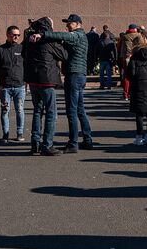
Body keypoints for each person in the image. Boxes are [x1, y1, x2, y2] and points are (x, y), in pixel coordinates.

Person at [32, 13, 94, 152]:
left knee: (71, 111)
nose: (67, 25)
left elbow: (63, 36)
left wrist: (44, 34)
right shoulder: (80, 36)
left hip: (74, 75)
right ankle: (87, 139)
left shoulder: (77, 35)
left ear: (78, 24)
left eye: (70, 23)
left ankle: (73, 143)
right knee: (80, 109)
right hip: (79, 75)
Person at [23, 16, 67, 155]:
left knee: (37, 111)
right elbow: (64, 55)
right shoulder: (48, 40)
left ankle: (34, 143)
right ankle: (47, 145)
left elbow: (24, 54)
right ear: (48, 27)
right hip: (46, 79)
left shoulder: (29, 40)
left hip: (33, 79)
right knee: (51, 113)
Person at [0, 25, 26, 143]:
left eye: (18, 35)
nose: (16, 37)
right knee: (5, 111)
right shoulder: (0, 50)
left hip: (19, 86)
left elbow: (26, 66)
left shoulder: (22, 49)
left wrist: (25, 82)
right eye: (14, 34)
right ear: (8, 34)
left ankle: (19, 133)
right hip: (5, 87)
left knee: (20, 110)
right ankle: (5, 134)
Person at [96, 24, 117, 88]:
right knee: (109, 73)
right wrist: (115, 58)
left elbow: (96, 50)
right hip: (109, 59)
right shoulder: (111, 41)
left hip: (102, 58)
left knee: (101, 73)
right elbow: (114, 50)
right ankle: (109, 85)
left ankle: (102, 85)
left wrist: (96, 57)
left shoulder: (100, 41)